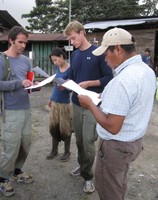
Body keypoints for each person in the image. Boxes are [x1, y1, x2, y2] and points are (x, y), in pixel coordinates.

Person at [78, 27, 156, 200]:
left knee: (108, 189)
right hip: (133, 142)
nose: (105, 59)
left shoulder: (121, 81)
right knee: (118, 182)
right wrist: (104, 96)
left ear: (118, 48)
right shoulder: (146, 71)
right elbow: (133, 101)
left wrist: (90, 105)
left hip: (116, 146)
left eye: (106, 53)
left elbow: (113, 127)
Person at [63, 20, 113, 194]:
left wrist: (89, 83)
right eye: (70, 39)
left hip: (92, 106)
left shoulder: (98, 53)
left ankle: (88, 177)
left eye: (73, 38)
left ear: (82, 32)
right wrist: (64, 82)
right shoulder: (75, 55)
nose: (72, 42)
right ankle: (82, 165)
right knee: (79, 141)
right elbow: (71, 75)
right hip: (76, 104)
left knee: (89, 142)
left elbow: (108, 78)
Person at [0, 26, 36, 197]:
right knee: (11, 146)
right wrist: (19, 83)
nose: (23, 45)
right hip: (10, 111)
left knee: (25, 143)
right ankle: (3, 179)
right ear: (11, 41)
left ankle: (17, 171)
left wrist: (34, 87)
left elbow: (27, 82)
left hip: (25, 107)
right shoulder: (0, 60)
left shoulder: (25, 60)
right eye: (20, 42)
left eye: (25, 42)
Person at [46, 48, 72, 162]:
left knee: (66, 128)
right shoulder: (57, 68)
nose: (55, 63)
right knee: (54, 126)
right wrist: (51, 98)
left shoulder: (71, 69)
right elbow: (55, 85)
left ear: (62, 57)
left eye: (56, 60)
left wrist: (65, 87)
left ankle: (67, 151)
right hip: (55, 101)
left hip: (65, 103)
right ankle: (54, 150)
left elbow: (72, 87)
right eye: (53, 61)